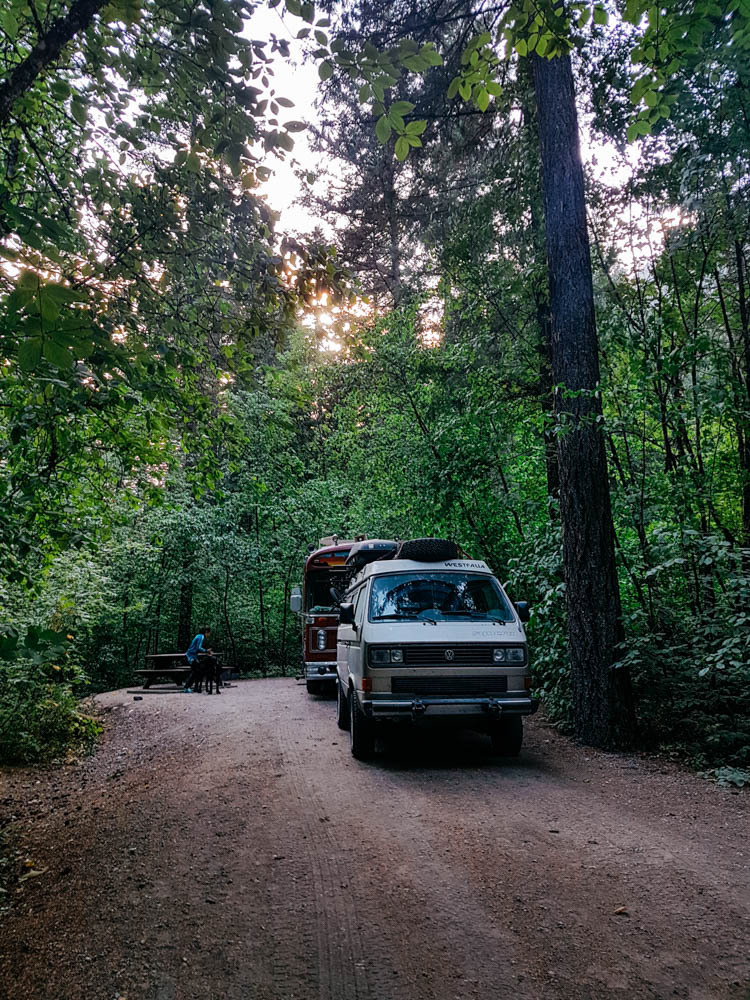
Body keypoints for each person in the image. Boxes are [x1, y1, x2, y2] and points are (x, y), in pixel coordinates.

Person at [183, 627, 216, 692]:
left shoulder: (198, 636)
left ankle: (195, 688)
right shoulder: (201, 637)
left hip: (192, 655)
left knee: (197, 671)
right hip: (191, 656)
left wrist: (206, 651)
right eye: (209, 633)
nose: (209, 635)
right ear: (206, 632)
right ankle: (187, 687)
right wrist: (206, 651)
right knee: (196, 671)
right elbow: (199, 647)